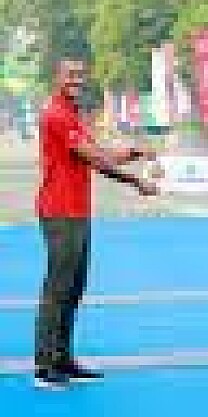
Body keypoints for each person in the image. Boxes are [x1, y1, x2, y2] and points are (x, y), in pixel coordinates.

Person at [34, 58, 159, 390]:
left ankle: (63, 359)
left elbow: (98, 152)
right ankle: (44, 367)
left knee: (74, 288)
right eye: (70, 75)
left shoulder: (72, 113)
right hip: (60, 211)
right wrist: (136, 180)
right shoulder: (56, 114)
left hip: (76, 211)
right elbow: (95, 160)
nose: (76, 80)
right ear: (57, 77)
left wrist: (134, 152)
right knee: (58, 289)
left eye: (80, 75)